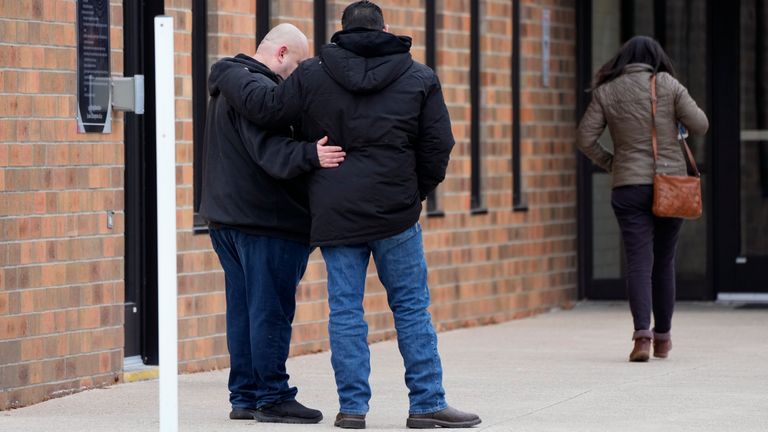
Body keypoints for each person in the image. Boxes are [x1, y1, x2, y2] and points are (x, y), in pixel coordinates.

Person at [208, 2, 481, 429]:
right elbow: (438, 146)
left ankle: (353, 409)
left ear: (342, 32)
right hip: (396, 213)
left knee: (346, 311)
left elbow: (269, 111)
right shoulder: (419, 77)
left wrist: (227, 71)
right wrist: (415, 194)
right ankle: (427, 403)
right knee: (411, 308)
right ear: (386, 29)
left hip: (336, 213)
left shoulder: (312, 73)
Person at [199, 23, 346, 423]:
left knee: (244, 311)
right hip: (266, 221)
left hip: (226, 220)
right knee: (270, 312)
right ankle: (272, 396)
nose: (295, 82)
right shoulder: (260, 94)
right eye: (297, 68)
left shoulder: (235, 88)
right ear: (282, 54)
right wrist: (311, 154)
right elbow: (270, 151)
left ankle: (245, 395)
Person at [577, 36, 709, 362]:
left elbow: (584, 138)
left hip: (628, 186)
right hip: (670, 185)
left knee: (639, 262)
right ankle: (663, 339)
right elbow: (701, 125)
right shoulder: (668, 84)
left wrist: (612, 162)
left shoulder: (607, 91)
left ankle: (641, 339)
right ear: (655, 58)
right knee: (664, 261)